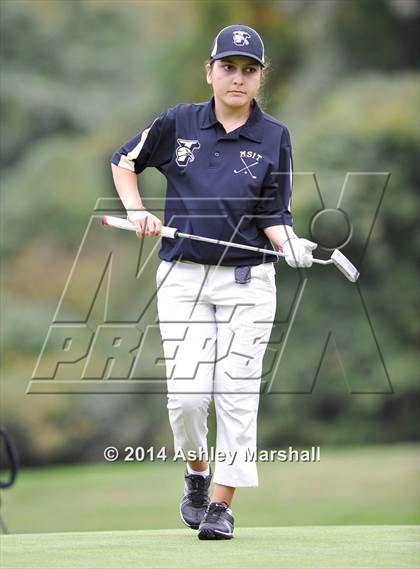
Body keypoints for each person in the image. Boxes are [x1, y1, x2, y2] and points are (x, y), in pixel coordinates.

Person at [111, 24, 316, 540]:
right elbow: (123, 163)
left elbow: (274, 214)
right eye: (228, 67)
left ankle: (222, 506)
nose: (238, 79)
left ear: (259, 79)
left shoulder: (274, 137)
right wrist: (137, 212)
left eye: (249, 71)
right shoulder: (178, 123)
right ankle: (197, 474)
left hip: (248, 283)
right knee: (185, 398)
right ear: (210, 71)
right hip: (182, 277)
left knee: (237, 393)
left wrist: (289, 243)